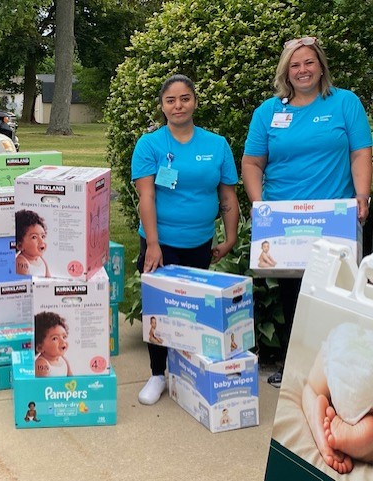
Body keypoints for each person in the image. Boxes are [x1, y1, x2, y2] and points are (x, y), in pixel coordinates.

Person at [241, 36, 372, 387]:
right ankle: (295, 366)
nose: (302, 70)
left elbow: (360, 152)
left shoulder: (345, 103)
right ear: (286, 71)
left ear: (321, 67)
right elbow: (252, 163)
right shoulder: (268, 112)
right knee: (293, 295)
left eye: (309, 62)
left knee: (339, 295)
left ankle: (338, 372)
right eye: (295, 65)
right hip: (287, 224)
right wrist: (259, 205)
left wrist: (363, 195)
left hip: (336, 218)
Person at [131, 74, 239, 405]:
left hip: (200, 243)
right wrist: (153, 243)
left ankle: (186, 370)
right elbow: (146, 197)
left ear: (195, 101)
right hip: (160, 244)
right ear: (162, 106)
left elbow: (227, 195)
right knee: (159, 310)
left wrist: (231, 235)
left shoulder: (216, 144)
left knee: (191, 312)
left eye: (185, 98)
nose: (178, 105)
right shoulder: (150, 145)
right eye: (171, 100)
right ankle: (157, 374)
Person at [302, 322, 373, 474]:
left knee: (311, 389)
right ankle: (363, 432)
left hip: (343, 347)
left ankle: (318, 426)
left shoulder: (350, 331)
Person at [34, 311, 72, 377]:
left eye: (64, 337)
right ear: (40, 347)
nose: (63, 341)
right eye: (55, 338)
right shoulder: (42, 364)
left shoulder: (63, 360)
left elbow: (71, 378)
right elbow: (41, 385)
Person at [15, 209, 50, 277]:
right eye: (34, 237)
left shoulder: (42, 260)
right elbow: (24, 284)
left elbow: (49, 279)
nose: (41, 241)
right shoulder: (21, 262)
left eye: (43, 236)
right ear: (20, 246)